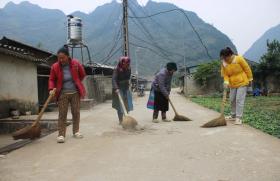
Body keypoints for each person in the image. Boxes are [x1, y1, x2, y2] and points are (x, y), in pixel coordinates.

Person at [49, 45, 86, 143]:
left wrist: (77, 82)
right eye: (59, 58)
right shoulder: (55, 67)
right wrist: (51, 88)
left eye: (62, 57)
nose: (60, 60)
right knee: (62, 114)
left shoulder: (75, 63)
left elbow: (82, 74)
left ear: (68, 56)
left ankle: (76, 131)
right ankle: (61, 135)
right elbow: (52, 79)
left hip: (75, 93)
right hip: (62, 93)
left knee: (76, 112)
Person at [220, 47, 253, 125]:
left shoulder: (239, 59)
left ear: (230, 55)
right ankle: (233, 115)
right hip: (232, 84)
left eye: (225, 57)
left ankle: (239, 118)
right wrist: (226, 81)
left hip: (242, 81)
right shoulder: (223, 63)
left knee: (239, 100)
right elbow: (225, 74)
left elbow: (247, 68)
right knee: (232, 99)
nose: (224, 59)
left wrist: (250, 79)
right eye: (222, 57)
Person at [112, 56, 133, 124]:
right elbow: (114, 79)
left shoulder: (129, 69)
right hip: (118, 88)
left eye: (127, 64)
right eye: (125, 64)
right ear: (121, 63)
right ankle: (121, 120)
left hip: (125, 88)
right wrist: (116, 88)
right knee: (119, 105)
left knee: (126, 103)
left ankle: (126, 118)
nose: (126, 66)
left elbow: (128, 78)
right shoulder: (116, 69)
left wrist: (128, 85)